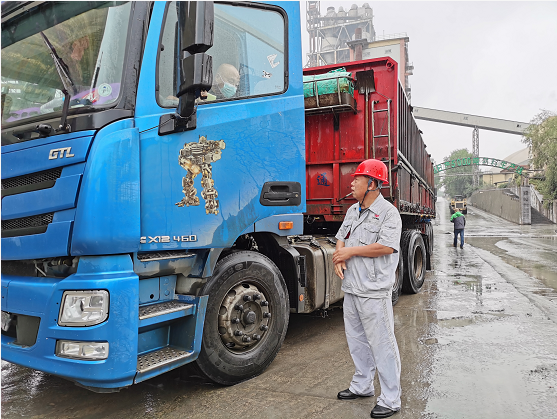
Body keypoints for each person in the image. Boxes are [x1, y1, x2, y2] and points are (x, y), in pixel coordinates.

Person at [332, 159, 402, 419]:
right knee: (357, 341)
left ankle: (391, 399)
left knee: (383, 345)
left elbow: (386, 246)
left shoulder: (388, 213)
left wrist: (349, 252)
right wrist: (339, 257)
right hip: (352, 287)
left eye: (357, 179)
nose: (351, 183)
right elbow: (341, 237)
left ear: (372, 184)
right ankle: (362, 385)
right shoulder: (353, 210)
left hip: (374, 290)